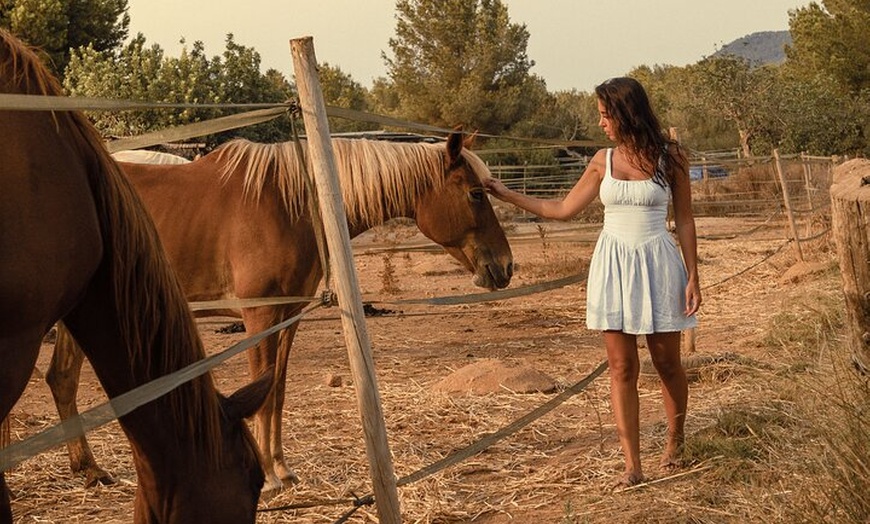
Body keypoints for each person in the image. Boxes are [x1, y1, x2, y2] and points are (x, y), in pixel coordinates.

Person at [484, 77, 701, 488]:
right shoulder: (603, 161)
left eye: (605, 115)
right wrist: (507, 194)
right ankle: (632, 466)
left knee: (667, 363)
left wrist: (693, 275)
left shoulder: (671, 157)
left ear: (625, 113)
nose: (600, 123)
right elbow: (561, 209)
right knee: (622, 367)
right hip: (613, 266)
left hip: (659, 262)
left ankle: (675, 442)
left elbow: (686, 220)